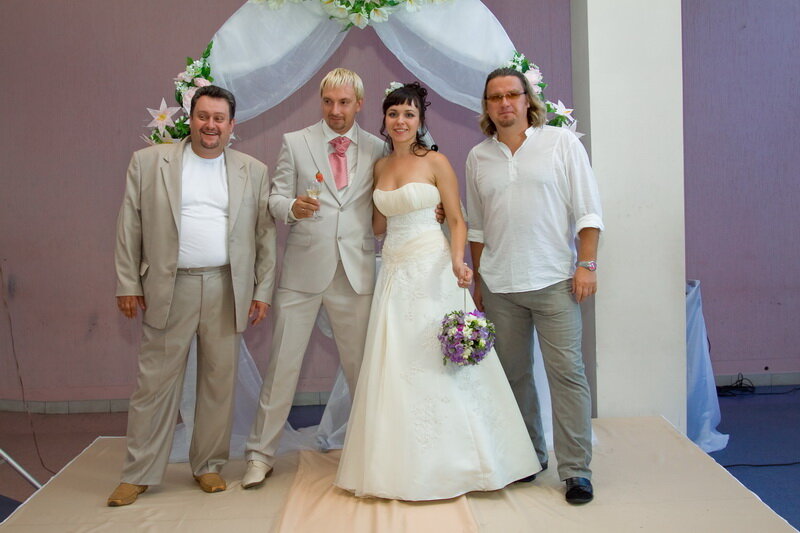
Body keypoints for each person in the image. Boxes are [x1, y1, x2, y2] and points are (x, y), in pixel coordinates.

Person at [334, 82, 541, 501]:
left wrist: (458, 261)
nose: (401, 121)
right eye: (394, 114)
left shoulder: (436, 161)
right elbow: (379, 225)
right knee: (398, 362)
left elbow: (459, 220)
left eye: (409, 114)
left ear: (420, 121)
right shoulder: (379, 166)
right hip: (394, 272)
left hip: (433, 267)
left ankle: (468, 461)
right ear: (385, 119)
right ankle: (400, 465)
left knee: (441, 359)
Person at [108, 85, 277, 506]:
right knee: (154, 384)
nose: (210, 125)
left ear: (232, 125)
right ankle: (138, 473)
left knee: (218, 382)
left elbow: (264, 235)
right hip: (169, 286)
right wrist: (128, 282)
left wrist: (262, 290)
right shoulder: (150, 162)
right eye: (203, 116)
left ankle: (209, 465)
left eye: (219, 118)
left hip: (227, 287)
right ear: (191, 119)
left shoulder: (253, 170)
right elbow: (129, 224)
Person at [242, 68, 387, 488]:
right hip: (303, 273)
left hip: (356, 274)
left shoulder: (378, 147)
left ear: (359, 104)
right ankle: (259, 456)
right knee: (282, 368)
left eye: (344, 102)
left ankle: (373, 454)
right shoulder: (295, 142)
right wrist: (291, 208)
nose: (335, 110)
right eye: (328, 102)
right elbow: (274, 197)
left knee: (362, 372)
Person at [466, 67, 603, 504]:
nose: (504, 103)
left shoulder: (560, 143)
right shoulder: (477, 158)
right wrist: (479, 282)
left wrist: (587, 265)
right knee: (514, 377)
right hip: (500, 286)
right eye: (495, 97)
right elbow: (477, 227)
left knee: (568, 375)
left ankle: (576, 470)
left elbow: (588, 210)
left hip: (555, 281)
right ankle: (528, 457)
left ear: (528, 99)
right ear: (487, 106)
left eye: (512, 94)